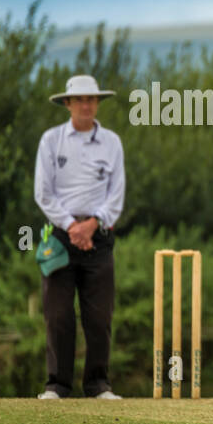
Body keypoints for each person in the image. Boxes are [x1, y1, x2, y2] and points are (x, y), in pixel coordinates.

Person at [34, 75, 126, 400]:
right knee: (58, 314)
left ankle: (98, 384)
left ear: (97, 103)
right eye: (80, 100)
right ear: (68, 104)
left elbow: (116, 195)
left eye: (92, 99)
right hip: (60, 236)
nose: (86, 105)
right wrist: (72, 226)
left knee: (99, 316)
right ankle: (57, 385)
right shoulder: (51, 140)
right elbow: (43, 194)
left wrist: (92, 224)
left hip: (98, 237)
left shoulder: (112, 142)